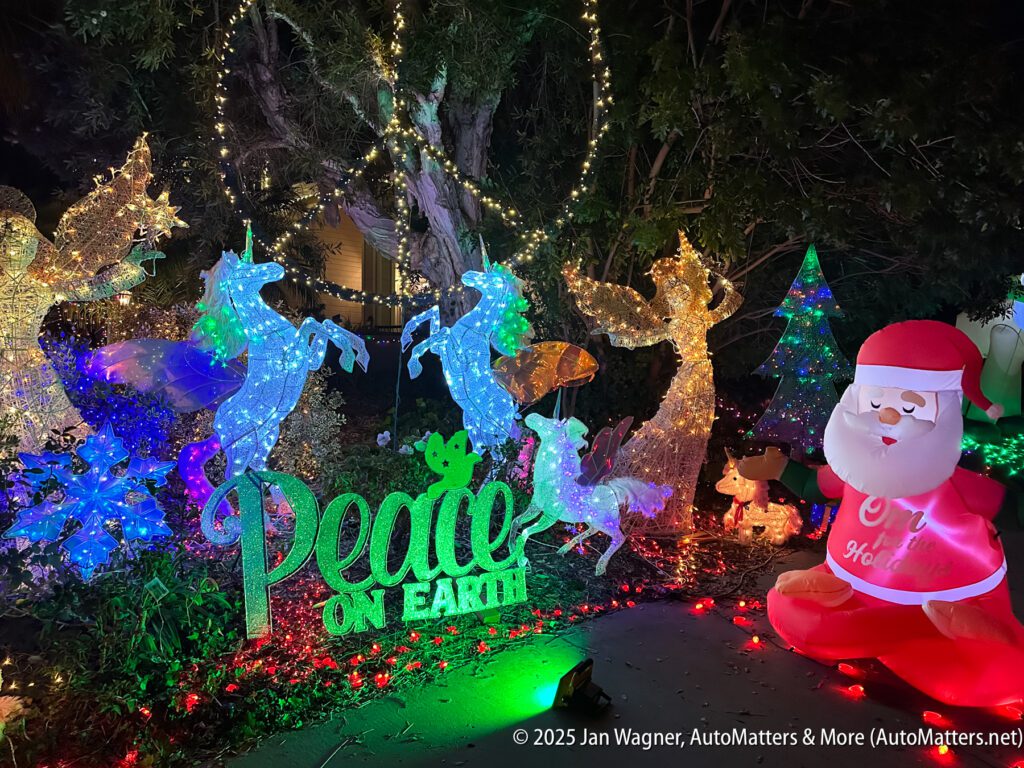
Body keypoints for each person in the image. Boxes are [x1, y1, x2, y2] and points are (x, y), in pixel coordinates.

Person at [739, 320, 1024, 706]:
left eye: (908, 407)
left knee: (988, 677)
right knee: (783, 605)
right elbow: (813, 487)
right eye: (875, 404)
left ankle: (949, 628)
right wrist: (779, 468)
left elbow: (1014, 512)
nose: (888, 416)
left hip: (951, 599)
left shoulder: (956, 484)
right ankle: (899, 629)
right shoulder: (857, 467)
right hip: (849, 584)